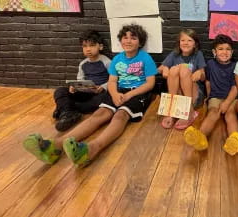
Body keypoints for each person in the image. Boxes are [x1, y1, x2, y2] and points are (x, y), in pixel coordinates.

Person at [23, 24, 157, 167]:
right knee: (99, 114)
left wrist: (130, 94)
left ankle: (92, 149)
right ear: (120, 40)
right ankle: (55, 146)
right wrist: (115, 93)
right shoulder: (117, 59)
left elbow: (150, 83)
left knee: (120, 115)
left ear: (140, 42)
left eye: (133, 38)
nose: (128, 41)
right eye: (125, 37)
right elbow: (112, 81)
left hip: (138, 92)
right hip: (118, 90)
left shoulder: (145, 58)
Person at [184, 34, 238, 155]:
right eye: (221, 49)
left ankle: (235, 140)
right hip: (215, 97)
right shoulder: (210, 64)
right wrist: (209, 96)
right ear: (214, 51)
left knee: (230, 115)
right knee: (212, 113)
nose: (224, 52)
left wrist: (227, 102)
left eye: (227, 49)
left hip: (231, 97)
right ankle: (201, 137)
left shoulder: (236, 66)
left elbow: (235, 87)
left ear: (232, 52)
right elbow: (208, 81)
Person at [52, 30, 111, 132]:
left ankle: (65, 109)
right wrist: (75, 87)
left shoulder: (106, 61)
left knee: (98, 102)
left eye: (92, 45)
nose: (88, 49)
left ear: (100, 47)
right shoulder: (83, 64)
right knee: (60, 91)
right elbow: (80, 79)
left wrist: (103, 86)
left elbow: (114, 79)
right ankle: (67, 112)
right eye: (85, 46)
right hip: (85, 91)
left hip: (100, 93)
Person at [159, 29, 205, 130]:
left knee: (183, 70)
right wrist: (165, 68)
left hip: (194, 97)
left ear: (195, 44)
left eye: (189, 40)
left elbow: (203, 76)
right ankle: (172, 110)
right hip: (178, 95)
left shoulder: (198, 55)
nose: (186, 43)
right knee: (174, 70)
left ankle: (189, 111)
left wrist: (200, 73)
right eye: (183, 40)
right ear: (179, 42)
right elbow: (159, 69)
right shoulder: (174, 54)